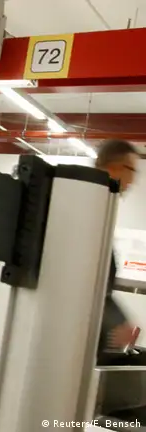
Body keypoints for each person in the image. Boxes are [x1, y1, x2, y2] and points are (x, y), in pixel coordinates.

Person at [92, 139, 146, 422]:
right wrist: (116, 323)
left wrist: (120, 322)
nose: (133, 181)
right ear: (112, 167)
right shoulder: (88, 208)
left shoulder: (101, 209)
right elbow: (89, 286)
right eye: (131, 170)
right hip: (80, 342)